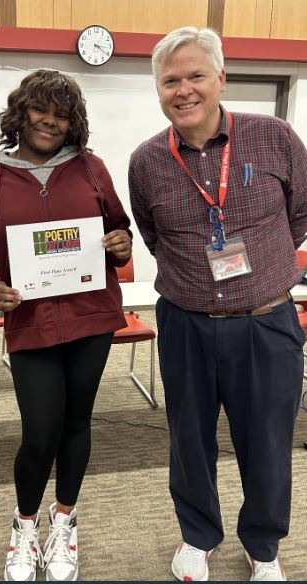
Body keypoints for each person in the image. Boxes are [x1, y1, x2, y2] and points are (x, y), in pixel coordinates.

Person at [128, 27, 307, 582]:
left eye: (195, 76)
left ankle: (264, 546)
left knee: (270, 440)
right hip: (185, 322)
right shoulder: (147, 161)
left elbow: (300, 217)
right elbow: (152, 234)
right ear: (158, 89)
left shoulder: (275, 138)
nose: (183, 90)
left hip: (266, 322)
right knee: (188, 439)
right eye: (170, 81)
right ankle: (198, 537)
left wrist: (265, 269)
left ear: (221, 79)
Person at [0, 69, 132, 581]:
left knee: (77, 423)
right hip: (31, 322)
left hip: (92, 316)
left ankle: (65, 522)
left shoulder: (91, 168)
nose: (51, 122)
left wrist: (121, 243)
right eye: (41, 111)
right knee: (40, 433)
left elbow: (117, 228)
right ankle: (24, 524)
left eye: (62, 115)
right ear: (20, 113)